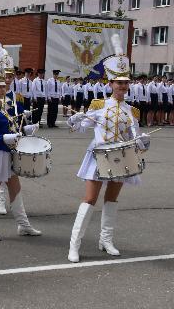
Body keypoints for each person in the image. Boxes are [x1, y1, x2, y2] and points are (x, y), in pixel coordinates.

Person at [66, 35, 150, 263]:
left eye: (125, 83)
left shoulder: (133, 111)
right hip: (98, 156)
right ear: (110, 83)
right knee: (90, 199)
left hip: (121, 157)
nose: (122, 86)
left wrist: (142, 143)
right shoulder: (99, 105)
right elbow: (81, 128)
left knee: (111, 200)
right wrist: (75, 120)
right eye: (118, 82)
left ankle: (106, 240)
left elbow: (135, 137)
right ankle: (75, 245)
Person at [0, 45, 41, 242]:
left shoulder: (3, 106)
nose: (3, 88)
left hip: (9, 152)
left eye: (4, 85)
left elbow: (13, 127)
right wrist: (8, 138)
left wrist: (25, 130)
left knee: (15, 188)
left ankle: (23, 225)